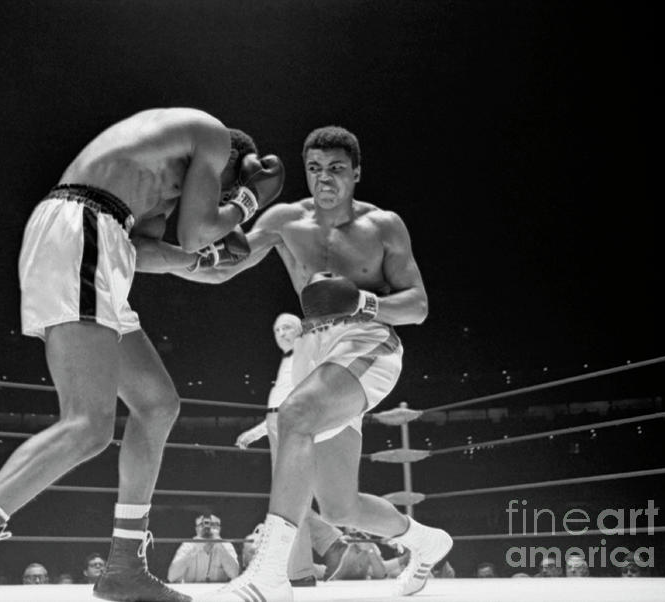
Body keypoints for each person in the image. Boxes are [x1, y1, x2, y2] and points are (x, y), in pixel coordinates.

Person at [0, 108, 285, 602]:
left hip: (104, 243)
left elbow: (157, 251)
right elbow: (196, 231)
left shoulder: (155, 180)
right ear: (234, 162)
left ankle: (124, 568)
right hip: (84, 229)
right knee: (88, 424)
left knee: (157, 404)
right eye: (223, 191)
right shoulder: (209, 135)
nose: (214, 200)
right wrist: (247, 202)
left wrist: (211, 260)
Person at [166, 125, 452, 600]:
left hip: (368, 342)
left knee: (293, 416)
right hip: (315, 355)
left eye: (337, 169)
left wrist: (362, 301)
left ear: (356, 172)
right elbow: (221, 269)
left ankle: (272, 577)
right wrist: (149, 257)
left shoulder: (383, 226)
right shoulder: (283, 221)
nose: (325, 180)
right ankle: (426, 542)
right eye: (315, 170)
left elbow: (418, 305)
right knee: (339, 506)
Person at [235, 313, 365, 585]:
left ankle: (303, 568)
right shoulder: (290, 360)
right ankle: (328, 548)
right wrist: (258, 431)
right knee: (292, 497)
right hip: (280, 424)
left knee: (290, 498)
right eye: (277, 329)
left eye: (288, 328)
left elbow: (302, 397)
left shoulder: (307, 358)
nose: (281, 333)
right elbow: (281, 403)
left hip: (295, 423)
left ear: (301, 331)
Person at [167, 514, 240, 583]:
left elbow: (235, 575)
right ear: (196, 529)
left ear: (219, 529)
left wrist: (219, 545)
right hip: (191, 591)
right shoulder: (188, 545)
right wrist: (196, 547)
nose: (208, 528)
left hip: (219, 592)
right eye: (202, 525)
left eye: (213, 525)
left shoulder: (226, 545)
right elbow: (171, 577)